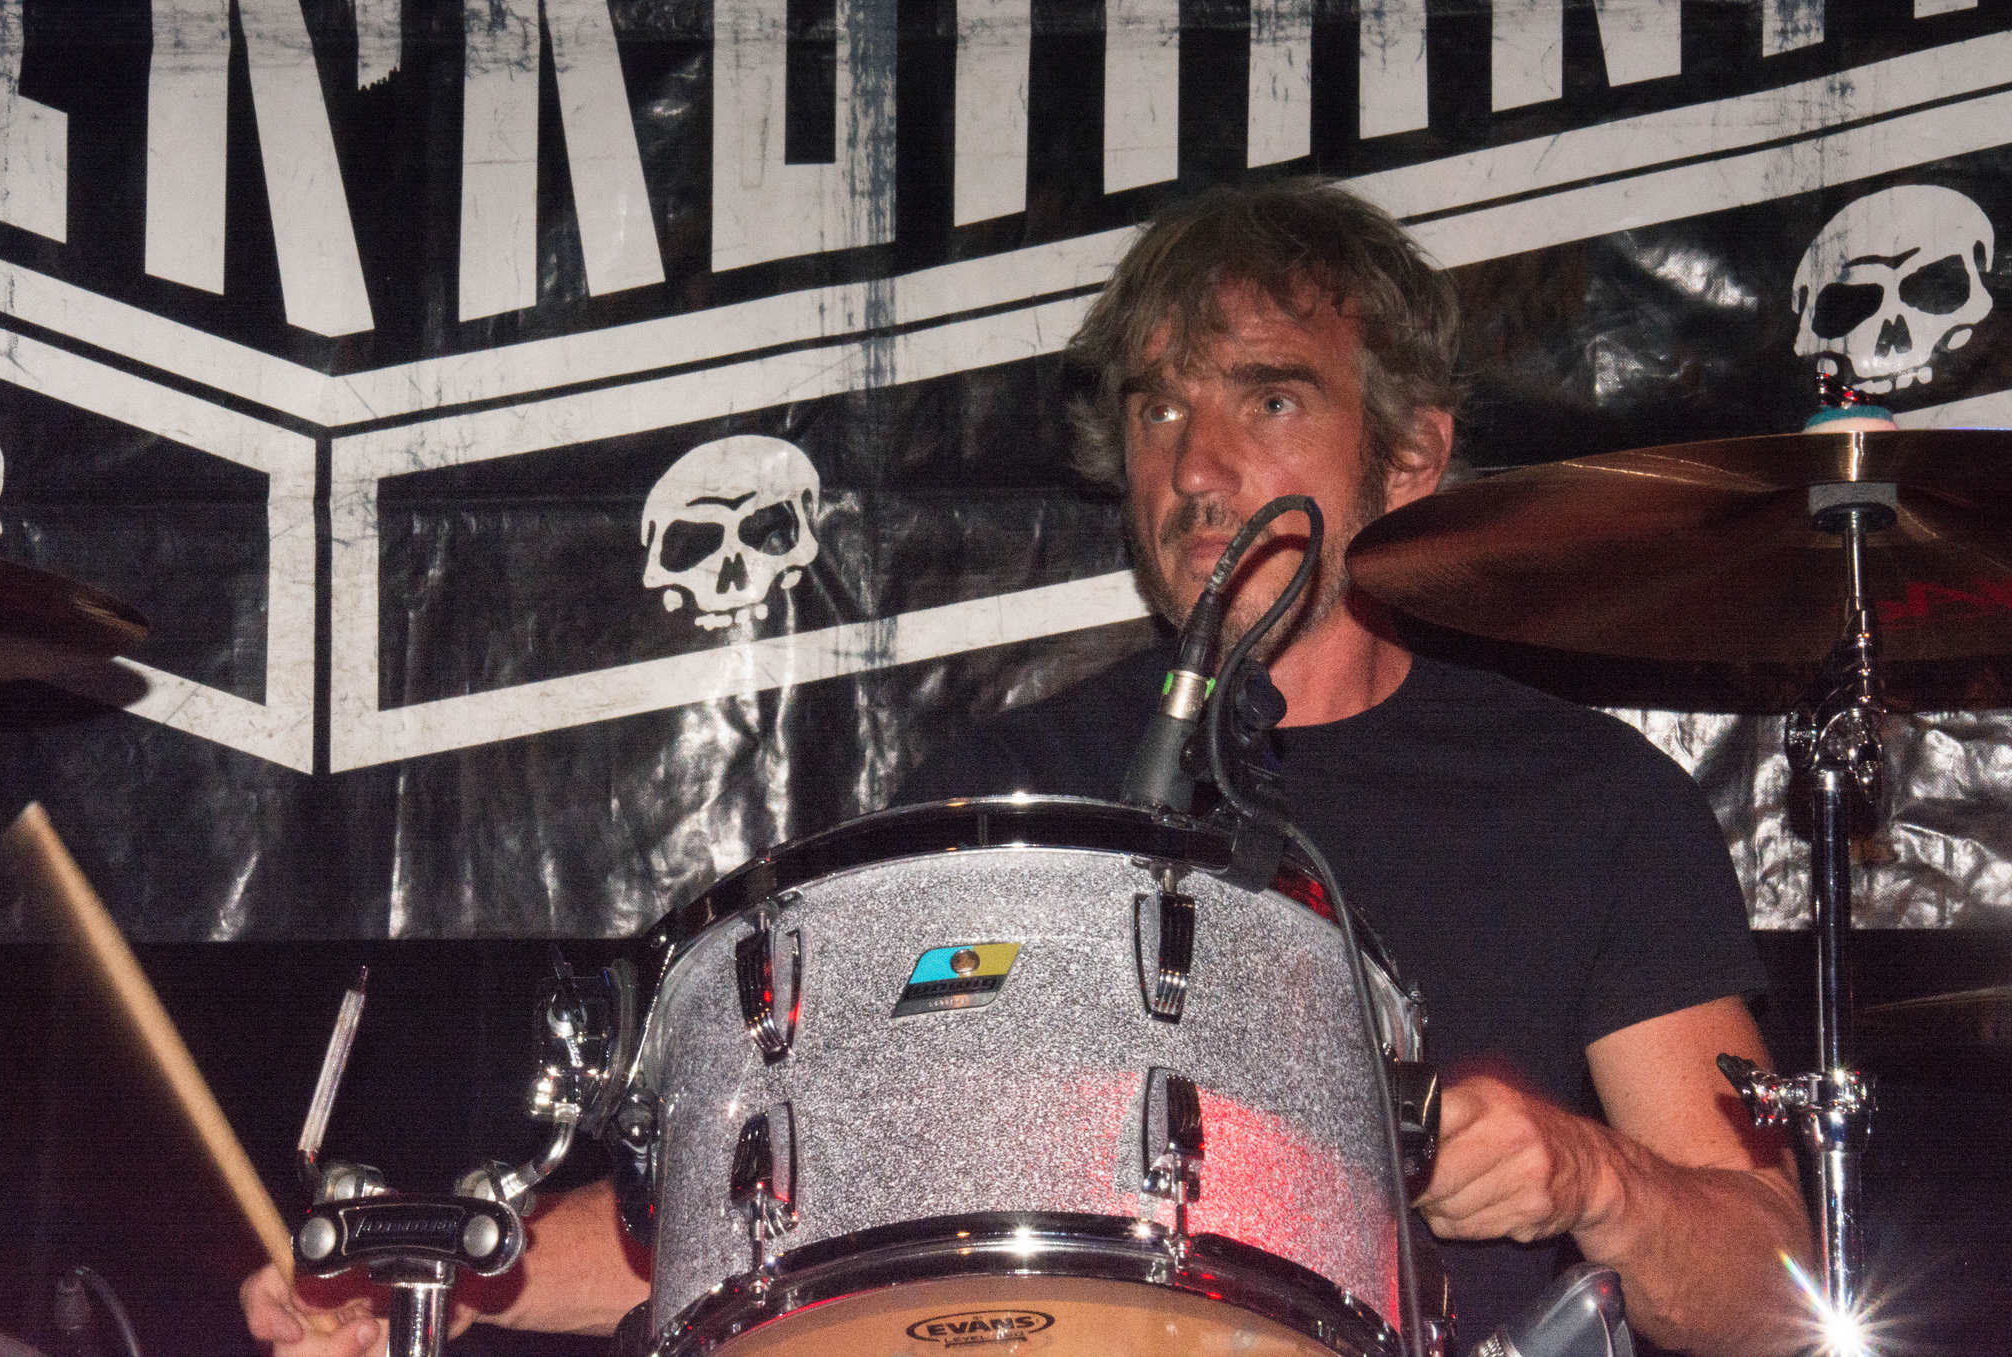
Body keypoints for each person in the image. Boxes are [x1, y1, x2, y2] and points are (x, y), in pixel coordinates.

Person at [242, 177, 1812, 1356]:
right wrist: (434, 1279)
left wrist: (1597, 1179)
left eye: (1269, 399)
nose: (1197, 467)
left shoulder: (1587, 801)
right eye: (1159, 407)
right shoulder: (1001, 802)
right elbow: (777, 1205)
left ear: (1409, 455)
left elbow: (1781, 1288)